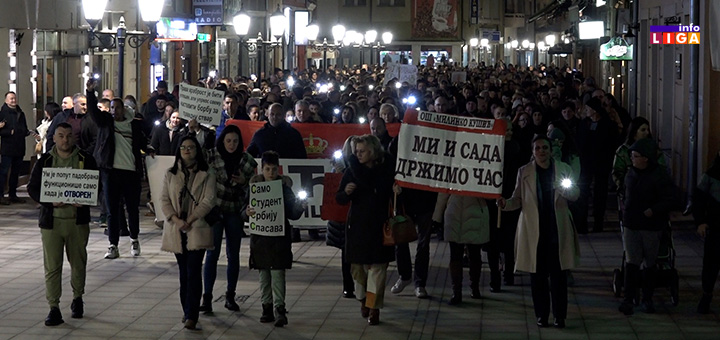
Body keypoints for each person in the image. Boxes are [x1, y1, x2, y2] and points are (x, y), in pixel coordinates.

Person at [498, 135, 580, 329]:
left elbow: (576, 194)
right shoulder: (524, 172)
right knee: (538, 276)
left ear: (551, 150)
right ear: (532, 152)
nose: (541, 152)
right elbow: (517, 199)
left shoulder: (563, 170)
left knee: (559, 276)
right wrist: (505, 204)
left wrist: (564, 189)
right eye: (537, 149)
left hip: (557, 228)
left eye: (545, 148)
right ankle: (541, 315)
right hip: (535, 230)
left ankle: (560, 316)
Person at [27, 122, 98, 326]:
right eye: (60, 136)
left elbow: (97, 185)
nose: (65, 140)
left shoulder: (86, 159)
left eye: (68, 136)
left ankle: (77, 298)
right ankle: (53, 307)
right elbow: (33, 188)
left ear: (73, 138)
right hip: (52, 222)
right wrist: (49, 201)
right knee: (52, 266)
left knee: (78, 263)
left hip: (77, 221)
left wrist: (85, 199)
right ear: (54, 138)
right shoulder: (46, 161)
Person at [335, 134, 396, 325]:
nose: (358, 155)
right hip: (358, 226)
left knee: (377, 270)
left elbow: (381, 187)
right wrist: (346, 192)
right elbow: (339, 197)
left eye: (362, 151)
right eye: (356, 152)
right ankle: (363, 299)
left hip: (379, 225)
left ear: (372, 151)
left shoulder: (385, 168)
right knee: (358, 269)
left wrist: (396, 191)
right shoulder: (352, 171)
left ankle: (374, 307)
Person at [85, 81, 148, 259]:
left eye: (117, 108)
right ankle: (113, 244)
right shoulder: (105, 123)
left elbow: (141, 142)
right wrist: (90, 92)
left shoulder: (133, 124)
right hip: (110, 172)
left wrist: (149, 149)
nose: (114, 111)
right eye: (112, 107)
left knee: (133, 208)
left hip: (130, 172)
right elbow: (93, 111)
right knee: (112, 210)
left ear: (124, 108)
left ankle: (134, 239)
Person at [243, 151, 306, 327]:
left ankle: (279, 308)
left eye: (274, 169)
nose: (271, 173)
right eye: (267, 169)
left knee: (278, 274)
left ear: (279, 169)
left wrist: (300, 207)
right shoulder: (254, 189)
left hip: (279, 239)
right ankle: (266, 307)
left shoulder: (284, 189)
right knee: (264, 275)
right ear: (261, 169)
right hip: (261, 239)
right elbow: (244, 211)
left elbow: (293, 214)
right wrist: (246, 213)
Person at [160, 136, 216, 330]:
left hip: (196, 227)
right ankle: (186, 310)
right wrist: (177, 221)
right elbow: (164, 200)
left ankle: (192, 314)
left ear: (197, 150)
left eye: (191, 147)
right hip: (177, 229)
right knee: (184, 273)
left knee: (194, 270)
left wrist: (190, 220)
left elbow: (209, 200)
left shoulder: (207, 173)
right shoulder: (170, 173)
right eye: (183, 147)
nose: (187, 151)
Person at [200, 125, 257, 313]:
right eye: (228, 140)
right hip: (215, 209)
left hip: (234, 210)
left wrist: (244, 183)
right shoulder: (211, 156)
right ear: (222, 141)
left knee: (233, 254)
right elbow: (196, 163)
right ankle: (206, 298)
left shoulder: (247, 161)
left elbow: (255, 188)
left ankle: (230, 296)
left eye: (235, 141)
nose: (232, 144)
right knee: (212, 254)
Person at [618, 138, 674, 316]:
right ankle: (628, 299)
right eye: (632, 156)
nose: (632, 159)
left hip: (651, 225)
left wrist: (654, 210)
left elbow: (668, 199)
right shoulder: (631, 174)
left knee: (650, 263)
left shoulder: (659, 175)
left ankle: (647, 299)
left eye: (635, 156)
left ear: (646, 158)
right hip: (632, 224)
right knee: (631, 262)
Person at [432, 184, 490, 304]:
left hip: (459, 210)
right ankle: (471, 289)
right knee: (468, 255)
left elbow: (443, 192)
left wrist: (437, 216)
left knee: (461, 256)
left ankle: (459, 292)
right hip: (468, 211)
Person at [612, 117, 666, 222]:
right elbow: (617, 171)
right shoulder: (623, 151)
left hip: (652, 191)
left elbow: (662, 168)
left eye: (647, 130)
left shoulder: (654, 150)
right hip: (630, 191)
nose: (646, 132)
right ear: (634, 132)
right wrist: (623, 185)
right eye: (643, 130)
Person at [326, 136, 357, 298]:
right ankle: (348, 285)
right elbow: (333, 190)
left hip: (358, 214)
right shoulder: (338, 165)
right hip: (343, 216)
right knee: (346, 253)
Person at [695, 151, 720, 314]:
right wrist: (701, 221)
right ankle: (706, 295)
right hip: (716, 225)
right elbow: (699, 199)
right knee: (711, 263)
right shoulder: (711, 174)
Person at [0, 91, 31, 205]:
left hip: (19, 146)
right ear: (6, 100)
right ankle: (1, 195)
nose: (13, 100)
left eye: (14, 98)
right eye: (11, 98)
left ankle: (13, 194)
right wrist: (10, 132)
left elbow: (24, 128)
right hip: (7, 147)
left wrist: (25, 132)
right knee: (3, 172)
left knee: (15, 172)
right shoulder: (2, 113)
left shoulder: (20, 113)